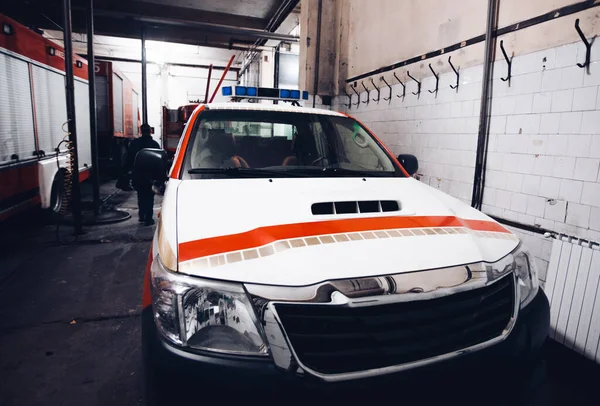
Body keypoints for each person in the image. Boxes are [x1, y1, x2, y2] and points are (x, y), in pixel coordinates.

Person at [125, 123, 160, 225]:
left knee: (141, 195)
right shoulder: (154, 144)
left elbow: (129, 158)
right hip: (150, 175)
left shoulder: (135, 144)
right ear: (150, 131)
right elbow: (158, 161)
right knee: (150, 196)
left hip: (138, 174)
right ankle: (148, 218)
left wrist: (127, 171)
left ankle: (142, 215)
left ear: (140, 131)